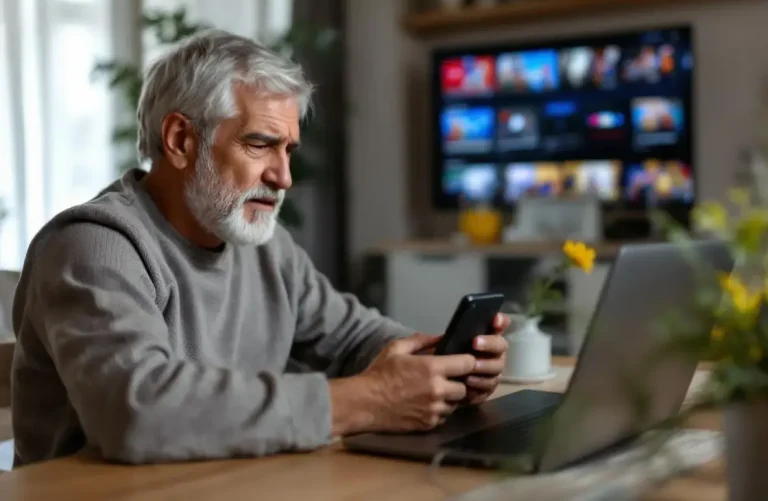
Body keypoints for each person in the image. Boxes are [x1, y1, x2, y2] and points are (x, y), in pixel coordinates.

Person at [10, 29, 510, 467]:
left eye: (287, 149)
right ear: (182, 140)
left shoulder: (265, 245)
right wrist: (371, 399)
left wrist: (446, 365)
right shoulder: (92, 246)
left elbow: (354, 337)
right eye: (259, 145)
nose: (284, 177)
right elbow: (136, 412)